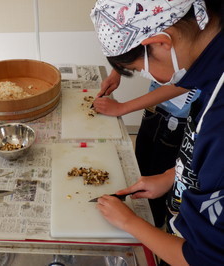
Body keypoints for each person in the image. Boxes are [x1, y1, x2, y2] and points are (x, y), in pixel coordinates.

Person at [90, 0, 224, 265]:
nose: (151, 77)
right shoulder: (210, 63)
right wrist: (171, 176)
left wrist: (130, 222)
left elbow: (202, 258)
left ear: (161, 43)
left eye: (139, 69)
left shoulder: (218, 121)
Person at [93, 70, 200, 227]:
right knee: (141, 162)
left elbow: (185, 83)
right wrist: (117, 71)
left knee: (160, 172)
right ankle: (139, 213)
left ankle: (153, 223)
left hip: (180, 121)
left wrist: (122, 108)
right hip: (154, 108)